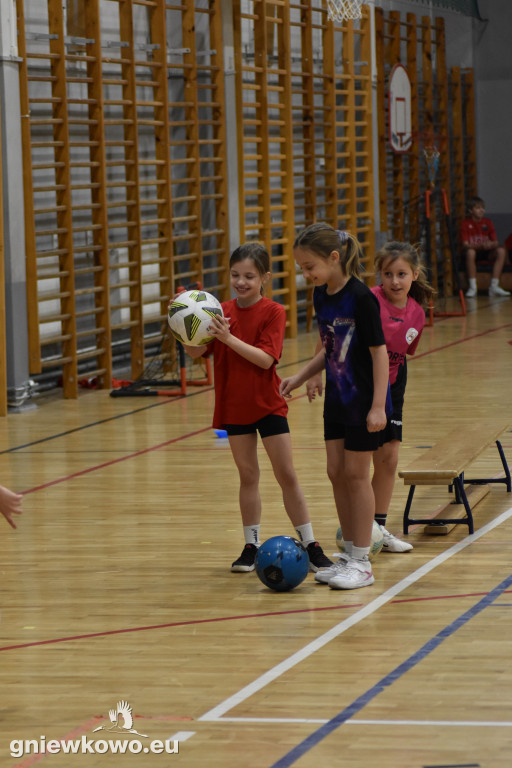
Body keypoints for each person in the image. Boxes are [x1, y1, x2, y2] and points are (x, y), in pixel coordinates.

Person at [179, 242, 333, 574]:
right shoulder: (218, 312)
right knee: (248, 475)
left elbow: (265, 360)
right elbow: (195, 354)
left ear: (265, 277)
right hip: (234, 407)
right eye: (235, 275)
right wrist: (181, 322)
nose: (241, 282)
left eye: (249, 276)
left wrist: (228, 339)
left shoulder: (273, 312)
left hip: (267, 404)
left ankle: (311, 544)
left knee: (286, 474)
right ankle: (251, 545)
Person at [280, 223, 391, 590]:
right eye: (301, 268)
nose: (306, 274)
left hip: (363, 401)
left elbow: (379, 355)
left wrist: (378, 406)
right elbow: (330, 348)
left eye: (310, 266)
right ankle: (348, 556)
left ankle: (362, 560)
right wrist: (300, 376)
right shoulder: (321, 295)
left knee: (357, 476)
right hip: (337, 400)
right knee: (335, 472)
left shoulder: (362, 297)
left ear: (334, 257)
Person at [460, 196, 510, 298]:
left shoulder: (488, 222)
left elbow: (496, 242)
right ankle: (473, 287)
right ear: (470, 210)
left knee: (501, 251)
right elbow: (465, 245)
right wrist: (479, 246)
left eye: (482, 208)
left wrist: (490, 244)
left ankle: (494, 286)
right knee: (470, 252)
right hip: (474, 252)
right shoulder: (465, 223)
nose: (481, 210)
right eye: (478, 208)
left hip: (487, 252)